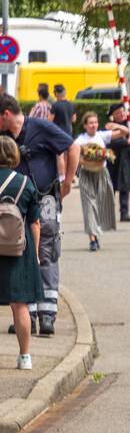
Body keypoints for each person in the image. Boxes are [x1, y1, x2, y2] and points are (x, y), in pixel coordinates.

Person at [0, 94, 75, 339]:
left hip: (46, 199)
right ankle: (28, 316)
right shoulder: (6, 138)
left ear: (6, 114)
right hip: (19, 204)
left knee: (47, 251)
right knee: (22, 252)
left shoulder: (39, 127)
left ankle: (47, 315)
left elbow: (72, 146)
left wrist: (67, 183)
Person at [0, 135, 40, 369]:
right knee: (20, 305)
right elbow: (34, 222)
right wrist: (34, 253)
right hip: (19, 250)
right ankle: (25, 357)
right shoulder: (26, 183)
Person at [73, 112, 120, 252]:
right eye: (91, 123)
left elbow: (126, 132)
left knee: (103, 203)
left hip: (102, 174)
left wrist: (115, 125)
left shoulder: (102, 135)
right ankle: (92, 239)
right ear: (85, 125)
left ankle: (97, 229)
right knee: (89, 206)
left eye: (95, 122)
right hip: (86, 175)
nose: (93, 125)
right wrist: (84, 161)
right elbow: (72, 155)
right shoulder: (80, 140)